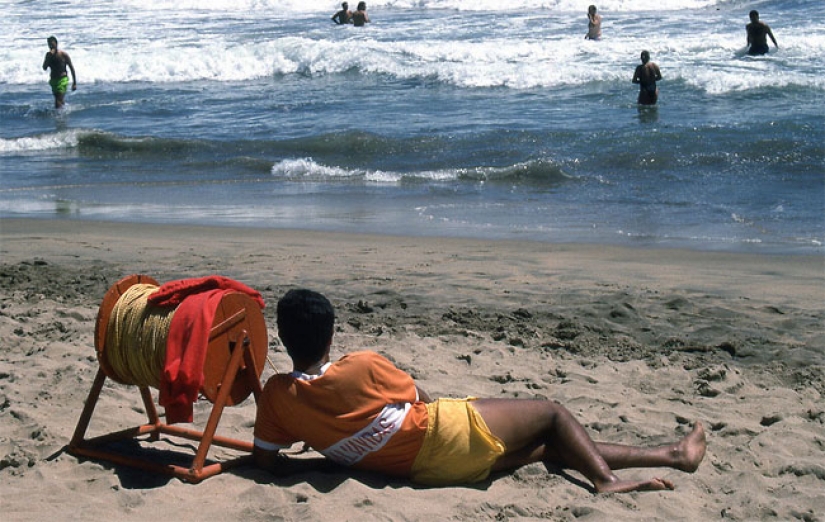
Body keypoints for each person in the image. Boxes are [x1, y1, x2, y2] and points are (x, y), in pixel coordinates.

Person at [253, 289, 707, 493]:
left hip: (425, 472)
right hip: (447, 437)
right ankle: (606, 481)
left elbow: (268, 462)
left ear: (284, 339)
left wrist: (335, 448)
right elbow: (423, 399)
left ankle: (671, 455)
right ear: (331, 337)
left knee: (552, 447)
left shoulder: (276, 396)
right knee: (551, 413)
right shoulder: (361, 367)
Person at [42, 36, 77, 109]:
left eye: (52, 44)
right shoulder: (48, 55)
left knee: (57, 101)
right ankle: (65, 112)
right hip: (53, 81)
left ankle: (59, 118)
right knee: (59, 100)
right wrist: (49, 57)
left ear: (56, 44)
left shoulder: (63, 55)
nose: (50, 46)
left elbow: (71, 68)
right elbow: (44, 68)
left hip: (62, 79)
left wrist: (74, 83)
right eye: (49, 44)